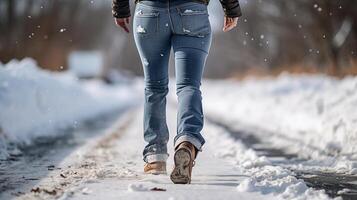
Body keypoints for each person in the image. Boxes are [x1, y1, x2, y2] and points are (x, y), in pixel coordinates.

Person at [112, 0, 241, 184]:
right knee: (189, 85)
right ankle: (187, 141)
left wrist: (120, 8)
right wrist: (231, 7)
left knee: (154, 86)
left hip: (149, 11)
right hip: (191, 11)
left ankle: (155, 156)